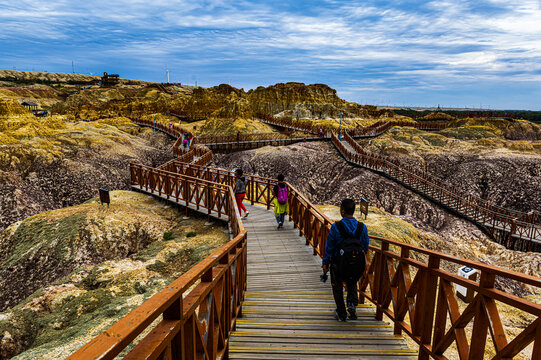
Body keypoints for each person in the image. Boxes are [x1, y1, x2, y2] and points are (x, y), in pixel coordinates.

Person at [322, 199, 369, 322]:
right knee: (352, 281)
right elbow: (365, 246)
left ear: (342, 211)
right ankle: (352, 304)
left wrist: (326, 263)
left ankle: (341, 313)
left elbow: (330, 247)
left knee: (337, 287)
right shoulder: (362, 227)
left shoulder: (336, 227)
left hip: (339, 264)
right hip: (356, 264)